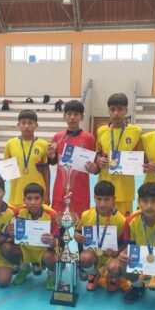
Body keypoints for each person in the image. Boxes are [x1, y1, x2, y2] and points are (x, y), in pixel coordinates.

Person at [108, 183, 155, 308]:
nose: (149, 206)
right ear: (138, 202)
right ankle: (137, 286)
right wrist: (123, 254)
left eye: (154, 201)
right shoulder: (131, 221)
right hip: (140, 259)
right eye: (145, 201)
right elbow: (129, 245)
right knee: (117, 265)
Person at [47, 100, 97, 246]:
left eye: (76, 114)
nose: (72, 117)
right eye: (69, 114)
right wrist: (50, 156)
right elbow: (53, 161)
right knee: (60, 226)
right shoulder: (58, 137)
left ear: (82, 117)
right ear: (64, 116)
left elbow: (94, 165)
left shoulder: (89, 138)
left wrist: (93, 167)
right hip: (60, 191)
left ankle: (82, 261)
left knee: (80, 227)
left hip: (80, 191)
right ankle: (60, 257)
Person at [1, 183, 59, 289]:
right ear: (24, 200)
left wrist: (52, 242)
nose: (33, 202)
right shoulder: (18, 212)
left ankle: (51, 275)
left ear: (43, 199)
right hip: (25, 249)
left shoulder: (52, 215)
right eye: (29, 198)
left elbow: (58, 244)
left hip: (44, 252)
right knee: (6, 248)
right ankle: (24, 268)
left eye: (37, 198)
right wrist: (13, 235)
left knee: (51, 257)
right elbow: (14, 240)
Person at [74, 181, 126, 292]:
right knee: (84, 258)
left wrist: (118, 252)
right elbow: (78, 231)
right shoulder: (86, 215)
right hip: (94, 253)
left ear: (114, 199)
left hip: (111, 256)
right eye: (99, 199)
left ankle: (113, 276)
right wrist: (76, 235)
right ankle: (94, 274)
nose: (102, 204)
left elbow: (125, 242)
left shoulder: (121, 220)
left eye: (107, 199)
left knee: (115, 267)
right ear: (94, 198)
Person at [95, 93, 142, 217]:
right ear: (108, 111)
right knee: (105, 224)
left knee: (124, 226)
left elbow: (141, 158)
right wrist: (99, 159)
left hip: (125, 190)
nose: (116, 113)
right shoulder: (101, 131)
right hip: (105, 188)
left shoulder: (136, 132)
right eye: (112, 109)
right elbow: (98, 153)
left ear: (126, 111)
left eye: (120, 109)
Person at [4, 110, 49, 208]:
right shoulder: (10, 144)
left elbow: (46, 171)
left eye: (30, 123)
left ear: (36, 125)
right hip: (16, 196)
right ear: (18, 124)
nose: (26, 126)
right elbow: (5, 169)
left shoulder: (44, 145)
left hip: (37, 196)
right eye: (23, 122)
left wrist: (47, 194)